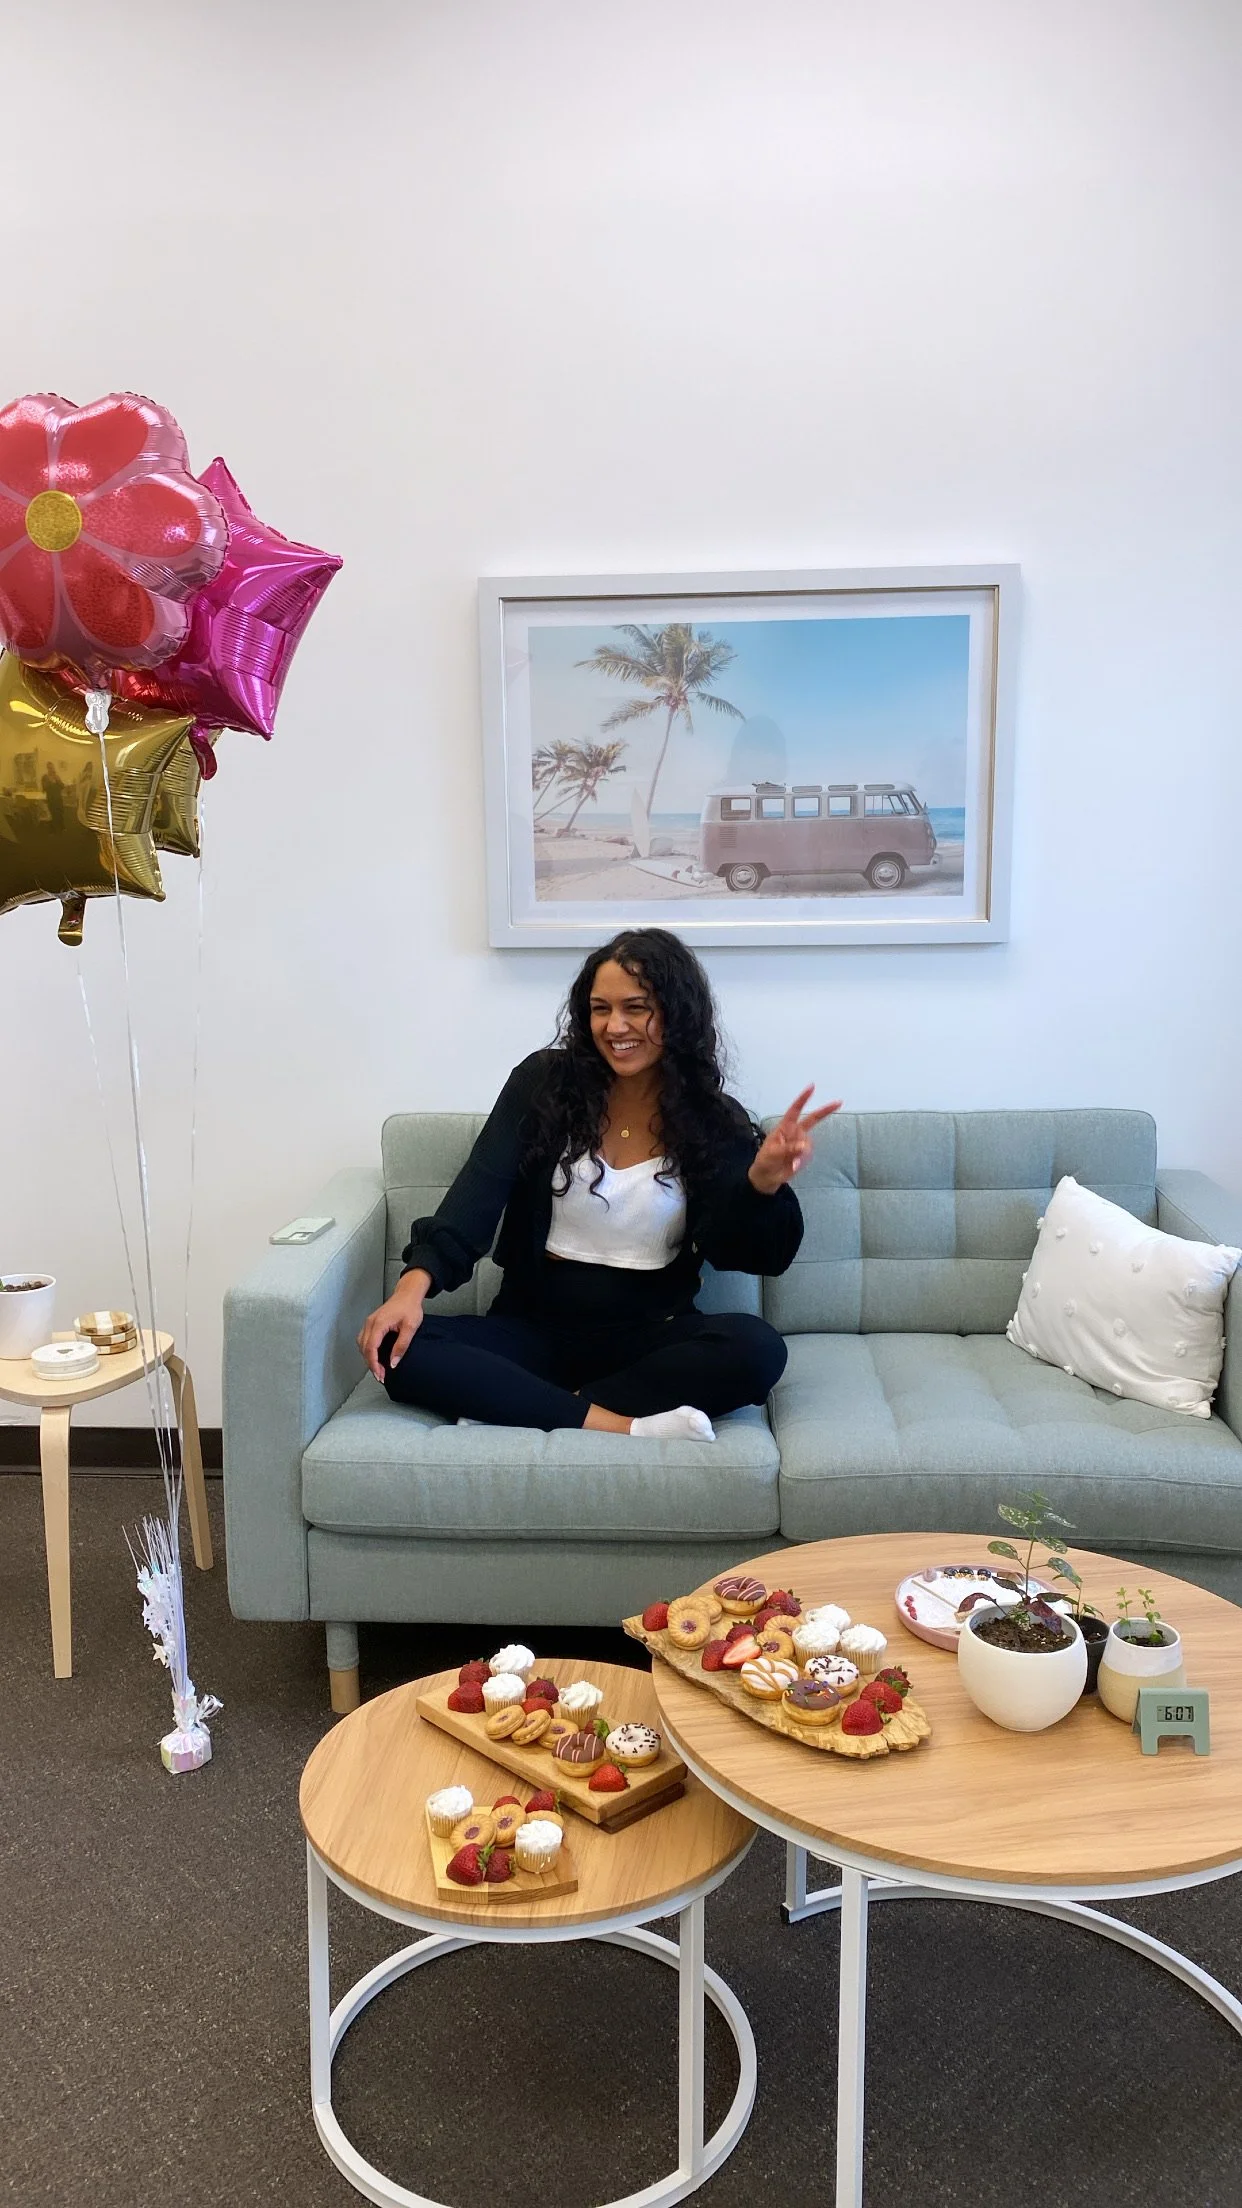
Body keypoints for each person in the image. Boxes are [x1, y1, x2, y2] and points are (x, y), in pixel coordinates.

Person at [358, 927, 839, 1440]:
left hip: (648, 1336)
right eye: (600, 1009)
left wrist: (761, 1183)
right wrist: (410, 1290)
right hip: (529, 1328)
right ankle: (619, 1424)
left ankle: (523, 1405)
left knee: (757, 1349)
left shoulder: (710, 1118)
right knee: (397, 1346)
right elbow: (476, 1193)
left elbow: (753, 1253)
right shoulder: (542, 1083)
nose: (615, 1026)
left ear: (677, 1014)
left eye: (636, 1008)